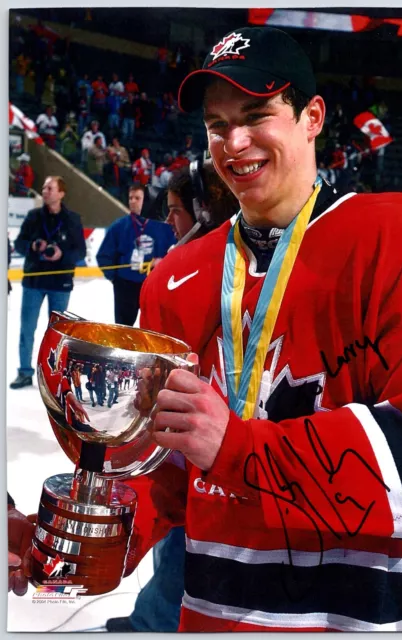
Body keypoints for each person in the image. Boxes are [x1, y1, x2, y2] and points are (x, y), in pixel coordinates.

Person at [124, 26, 402, 633]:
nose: (234, 142)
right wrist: (92, 534)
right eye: (216, 124)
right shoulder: (176, 279)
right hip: (223, 619)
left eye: (257, 113)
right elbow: (164, 473)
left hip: (394, 620)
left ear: (312, 117)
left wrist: (237, 449)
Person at [106, 155, 239, 634]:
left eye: (177, 209)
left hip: (197, 452)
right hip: (211, 454)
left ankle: (154, 623)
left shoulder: (187, 272)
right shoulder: (199, 267)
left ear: (204, 211)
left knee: (184, 546)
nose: (168, 221)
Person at [10, 176, 86, 389]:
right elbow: (19, 244)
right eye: (43, 187)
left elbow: (80, 251)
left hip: (60, 282)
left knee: (57, 332)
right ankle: (25, 372)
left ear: (61, 193)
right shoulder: (34, 216)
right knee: (27, 328)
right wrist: (33, 246)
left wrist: (62, 254)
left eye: (50, 188)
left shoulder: (72, 219)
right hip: (34, 281)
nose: (45, 191)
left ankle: (53, 372)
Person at [96, 184, 175, 327]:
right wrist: (116, 279)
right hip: (125, 287)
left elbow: (177, 251)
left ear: (146, 201)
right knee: (123, 331)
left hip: (153, 286)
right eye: (130, 198)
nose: (133, 201)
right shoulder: (119, 226)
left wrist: (164, 263)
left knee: (153, 329)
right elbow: (103, 256)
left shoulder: (164, 226)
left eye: (137, 198)